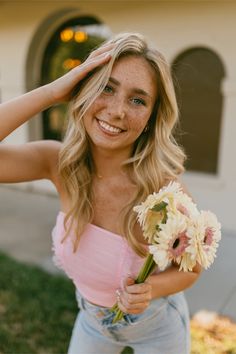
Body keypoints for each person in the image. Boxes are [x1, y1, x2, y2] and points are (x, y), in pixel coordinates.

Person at [0, 32, 201, 354]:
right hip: (91, 324)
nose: (118, 110)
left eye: (138, 100)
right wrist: (53, 91)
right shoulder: (57, 163)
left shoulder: (164, 189)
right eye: (106, 88)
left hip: (157, 328)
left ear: (151, 117)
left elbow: (191, 268)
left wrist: (153, 287)